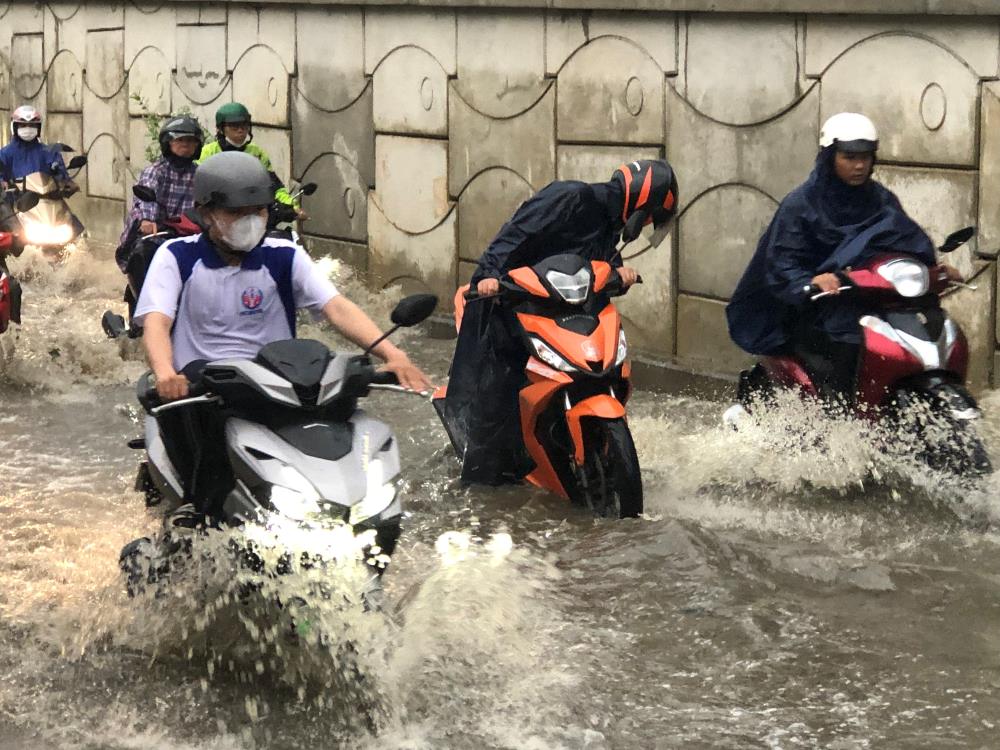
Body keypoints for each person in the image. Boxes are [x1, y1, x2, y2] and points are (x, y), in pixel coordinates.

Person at [133, 151, 430, 515]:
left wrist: (392, 355)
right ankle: (197, 512)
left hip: (276, 385)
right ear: (207, 213)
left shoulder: (284, 255)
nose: (249, 221)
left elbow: (336, 307)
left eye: (257, 211)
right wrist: (166, 373)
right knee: (203, 479)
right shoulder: (175, 256)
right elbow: (157, 323)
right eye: (236, 213)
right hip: (206, 390)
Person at [444, 159, 679, 484]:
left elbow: (600, 269)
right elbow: (512, 236)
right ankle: (482, 480)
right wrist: (488, 277)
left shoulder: (610, 228)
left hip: (559, 313)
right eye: (652, 217)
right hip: (511, 302)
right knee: (498, 392)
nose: (648, 224)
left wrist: (618, 276)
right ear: (643, 206)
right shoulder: (571, 197)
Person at [726, 112, 961, 399]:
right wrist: (812, 281)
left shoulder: (881, 200)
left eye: (865, 156)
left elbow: (904, 241)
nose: (859, 165)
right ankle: (841, 418)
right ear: (829, 157)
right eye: (849, 157)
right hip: (820, 307)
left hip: (871, 299)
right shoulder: (801, 205)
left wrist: (934, 271)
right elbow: (783, 262)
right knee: (848, 339)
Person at [116, 115, 203, 271]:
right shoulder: (156, 172)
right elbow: (146, 198)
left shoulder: (199, 174)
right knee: (143, 255)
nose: (186, 144)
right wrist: (147, 220)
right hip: (157, 236)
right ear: (168, 143)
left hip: (187, 237)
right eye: (180, 140)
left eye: (191, 141)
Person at [196, 102, 306, 220]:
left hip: (252, 212)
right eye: (234, 126)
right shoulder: (208, 152)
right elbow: (198, 186)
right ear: (221, 129)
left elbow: (273, 185)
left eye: (244, 126)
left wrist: (291, 205)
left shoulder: (257, 152)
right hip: (220, 214)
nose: (240, 130)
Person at [0, 104, 78, 191]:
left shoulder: (50, 152)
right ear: (14, 127)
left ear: (38, 128)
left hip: (46, 200)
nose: (28, 129)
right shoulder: (4, 154)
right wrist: (2, 183)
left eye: (32, 125)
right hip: (15, 201)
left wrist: (68, 183)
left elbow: (61, 174)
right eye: (23, 125)